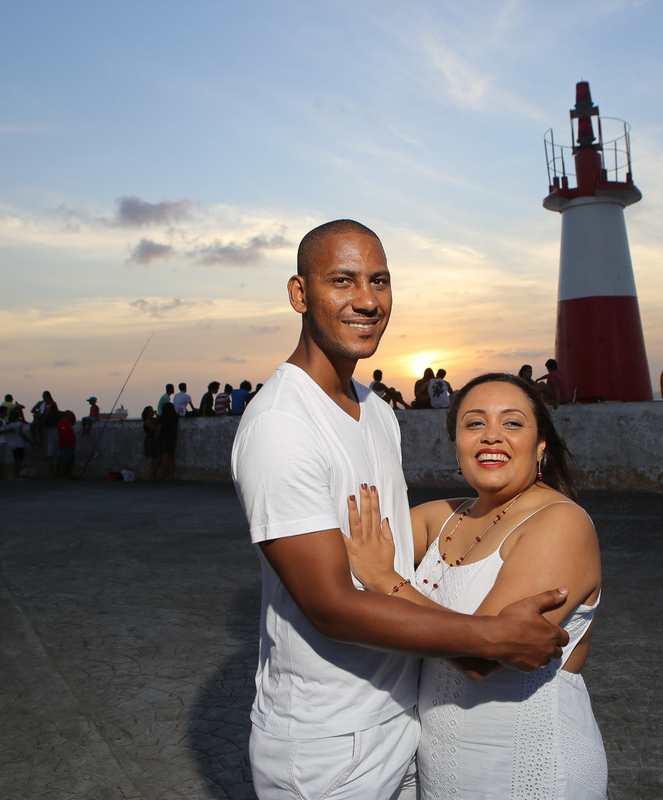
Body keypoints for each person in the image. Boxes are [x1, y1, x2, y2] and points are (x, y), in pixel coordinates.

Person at [230, 219, 568, 799]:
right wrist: (489, 638)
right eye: (343, 281)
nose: (367, 300)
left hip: (405, 721)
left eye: (379, 281)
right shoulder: (281, 424)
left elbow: (393, 547)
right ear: (299, 294)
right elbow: (330, 607)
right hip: (330, 743)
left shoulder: (376, 410)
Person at [344, 372, 607, 799]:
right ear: (457, 445)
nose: (491, 437)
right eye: (474, 423)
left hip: (527, 768)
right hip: (443, 769)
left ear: (541, 446)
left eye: (513, 423)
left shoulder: (561, 524)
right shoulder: (444, 518)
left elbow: (480, 657)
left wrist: (386, 580)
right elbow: (347, 548)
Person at [2, 407, 31, 480]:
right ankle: (17, 474)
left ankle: (16, 474)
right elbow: (21, 433)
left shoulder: (9, 425)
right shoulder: (19, 424)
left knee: (15, 459)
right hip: (19, 443)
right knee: (19, 460)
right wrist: (29, 440)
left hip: (12, 443)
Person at [154, 402, 178, 480]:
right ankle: (172, 475)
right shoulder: (175, 416)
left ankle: (165, 475)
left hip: (163, 438)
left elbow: (158, 429)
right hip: (172, 438)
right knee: (171, 458)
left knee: (164, 458)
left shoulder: (162, 417)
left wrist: (156, 438)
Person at [57, 410, 77, 478]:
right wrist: (69, 443)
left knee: (70, 460)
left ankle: (69, 474)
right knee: (66, 461)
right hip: (66, 445)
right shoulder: (62, 423)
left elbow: (73, 422)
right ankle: (66, 474)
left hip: (70, 445)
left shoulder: (67, 423)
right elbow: (64, 434)